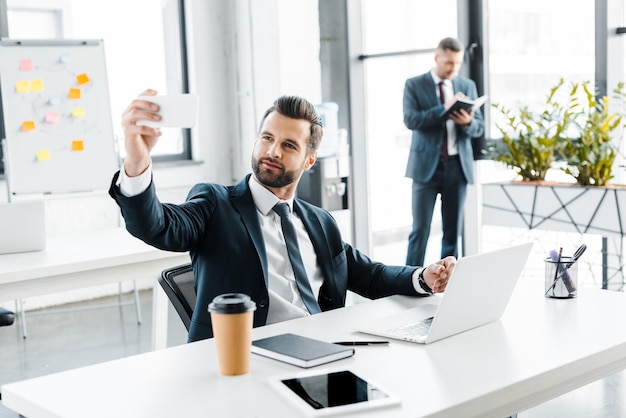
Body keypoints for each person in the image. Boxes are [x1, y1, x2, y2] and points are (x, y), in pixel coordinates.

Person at [110, 89, 456, 342]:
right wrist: (137, 160)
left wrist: (423, 277)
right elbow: (156, 226)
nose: (272, 151)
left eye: (289, 145)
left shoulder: (320, 222)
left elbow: (370, 275)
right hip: (247, 360)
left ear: (309, 159)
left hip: (327, 350)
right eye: (267, 138)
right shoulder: (215, 203)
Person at [403, 37, 485, 267]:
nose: (453, 68)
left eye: (457, 63)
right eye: (449, 62)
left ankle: (448, 283)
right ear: (437, 57)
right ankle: (407, 281)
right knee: (420, 230)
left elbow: (479, 127)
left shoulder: (467, 86)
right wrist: (445, 109)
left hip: (457, 167)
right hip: (425, 168)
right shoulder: (414, 84)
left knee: (452, 233)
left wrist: (467, 122)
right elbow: (411, 120)